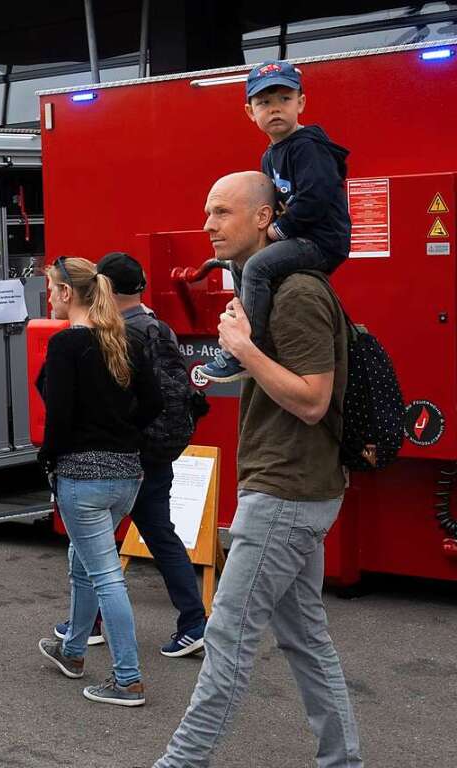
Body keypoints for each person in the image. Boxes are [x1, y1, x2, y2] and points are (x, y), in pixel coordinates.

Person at [153, 172, 361, 767]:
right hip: (291, 486)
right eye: (206, 210)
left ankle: (181, 762)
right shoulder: (265, 288)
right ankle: (343, 761)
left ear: (265, 218)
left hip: (286, 492)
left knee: (227, 636)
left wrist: (243, 351)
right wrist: (233, 361)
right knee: (305, 640)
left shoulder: (295, 293)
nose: (208, 224)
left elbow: (313, 398)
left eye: (221, 212)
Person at [53, 252, 209, 658]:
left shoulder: (114, 334)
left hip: (116, 456)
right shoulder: (160, 326)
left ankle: (90, 632)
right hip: (158, 450)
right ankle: (194, 621)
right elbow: (160, 398)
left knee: (94, 555)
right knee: (160, 534)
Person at [36, 257, 162, 707]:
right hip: (126, 474)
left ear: (68, 293)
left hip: (82, 476)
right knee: (84, 559)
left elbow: (59, 416)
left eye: (52, 288)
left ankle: (127, 678)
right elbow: (153, 402)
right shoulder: (124, 339)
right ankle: (71, 650)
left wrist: (48, 457)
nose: (49, 296)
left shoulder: (67, 346)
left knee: (106, 575)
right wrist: (122, 430)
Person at [199, 59, 350, 383]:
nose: (275, 108)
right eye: (264, 102)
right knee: (240, 265)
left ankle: (247, 348)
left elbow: (316, 196)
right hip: (300, 237)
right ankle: (252, 326)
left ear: (301, 103)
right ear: (250, 112)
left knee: (256, 267)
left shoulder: (308, 146)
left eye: (284, 99)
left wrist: (280, 228)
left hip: (321, 241)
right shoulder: (270, 155)